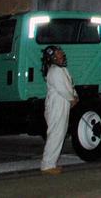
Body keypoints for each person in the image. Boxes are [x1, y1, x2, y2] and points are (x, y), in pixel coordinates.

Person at [41, 45, 77, 174]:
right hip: (56, 105)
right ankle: (47, 165)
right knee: (55, 134)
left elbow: (70, 85)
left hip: (62, 103)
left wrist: (74, 96)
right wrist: (72, 99)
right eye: (58, 54)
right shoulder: (55, 71)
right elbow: (62, 89)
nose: (61, 55)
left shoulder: (62, 70)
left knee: (60, 133)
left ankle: (51, 163)